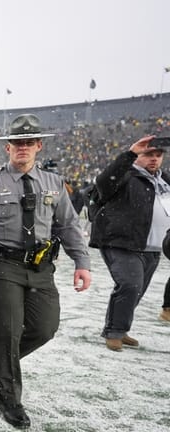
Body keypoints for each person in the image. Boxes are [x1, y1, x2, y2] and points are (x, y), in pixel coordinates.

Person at [0, 114, 91, 429]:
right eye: (17, 143)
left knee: (44, 328)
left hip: (41, 268)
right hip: (3, 267)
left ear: (39, 145)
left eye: (29, 142)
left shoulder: (54, 183)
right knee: (9, 332)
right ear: (8, 148)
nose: (22, 148)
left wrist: (82, 262)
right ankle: (10, 397)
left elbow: (68, 225)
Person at [88, 136, 170, 350]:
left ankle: (119, 328)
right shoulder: (125, 175)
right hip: (121, 242)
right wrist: (130, 154)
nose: (154, 159)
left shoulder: (164, 181)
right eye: (148, 154)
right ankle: (114, 332)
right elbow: (104, 182)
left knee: (137, 289)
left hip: (152, 245)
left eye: (158, 155)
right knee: (130, 285)